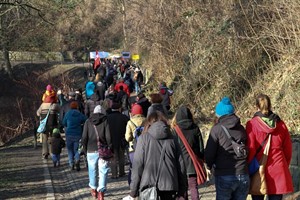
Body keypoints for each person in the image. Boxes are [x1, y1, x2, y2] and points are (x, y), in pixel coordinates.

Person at [128, 111, 187, 200]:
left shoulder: (143, 139)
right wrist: (182, 190)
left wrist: (133, 191)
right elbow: (181, 166)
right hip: (170, 188)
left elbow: (137, 166)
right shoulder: (173, 139)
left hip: (148, 188)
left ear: (148, 123)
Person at [246, 94, 293, 200]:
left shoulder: (252, 124)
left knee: (257, 195)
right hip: (278, 166)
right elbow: (288, 149)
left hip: (259, 167)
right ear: (270, 105)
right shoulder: (281, 124)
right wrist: (285, 164)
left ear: (256, 106)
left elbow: (251, 148)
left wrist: (248, 166)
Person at [204, 97, 249, 200]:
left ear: (219, 114)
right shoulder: (241, 128)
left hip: (224, 174)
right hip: (243, 173)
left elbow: (209, 153)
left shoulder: (216, 129)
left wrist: (209, 166)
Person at [171, 105, 204, 200]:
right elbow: (201, 148)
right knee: (194, 188)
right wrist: (201, 159)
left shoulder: (175, 130)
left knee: (182, 190)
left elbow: (173, 149)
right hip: (193, 165)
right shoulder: (195, 128)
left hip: (180, 165)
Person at [82, 105, 111, 200]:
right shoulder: (105, 121)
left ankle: (93, 189)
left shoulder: (87, 122)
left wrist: (85, 149)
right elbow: (108, 137)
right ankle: (101, 192)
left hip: (90, 150)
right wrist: (110, 147)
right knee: (103, 171)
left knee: (92, 170)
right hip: (103, 150)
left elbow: (84, 138)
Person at [106, 103, 129, 179]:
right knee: (121, 156)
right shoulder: (124, 117)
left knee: (113, 158)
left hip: (111, 140)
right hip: (122, 140)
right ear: (119, 109)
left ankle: (114, 174)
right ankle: (121, 172)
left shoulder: (107, 118)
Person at [63, 101, 87, 171]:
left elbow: (64, 122)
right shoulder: (79, 114)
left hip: (69, 134)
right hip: (78, 134)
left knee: (70, 150)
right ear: (77, 107)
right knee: (77, 149)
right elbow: (85, 119)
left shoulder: (68, 114)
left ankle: (71, 164)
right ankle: (77, 159)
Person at [125, 104, 146, 185]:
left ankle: (133, 185)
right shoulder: (146, 120)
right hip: (145, 148)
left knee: (133, 168)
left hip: (133, 149)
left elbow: (127, 138)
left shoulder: (130, 122)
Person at [36, 89, 60, 159]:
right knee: (53, 138)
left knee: (44, 139)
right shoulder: (55, 105)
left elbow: (37, 113)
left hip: (44, 126)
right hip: (53, 124)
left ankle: (45, 153)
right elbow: (60, 111)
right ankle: (53, 152)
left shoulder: (42, 105)